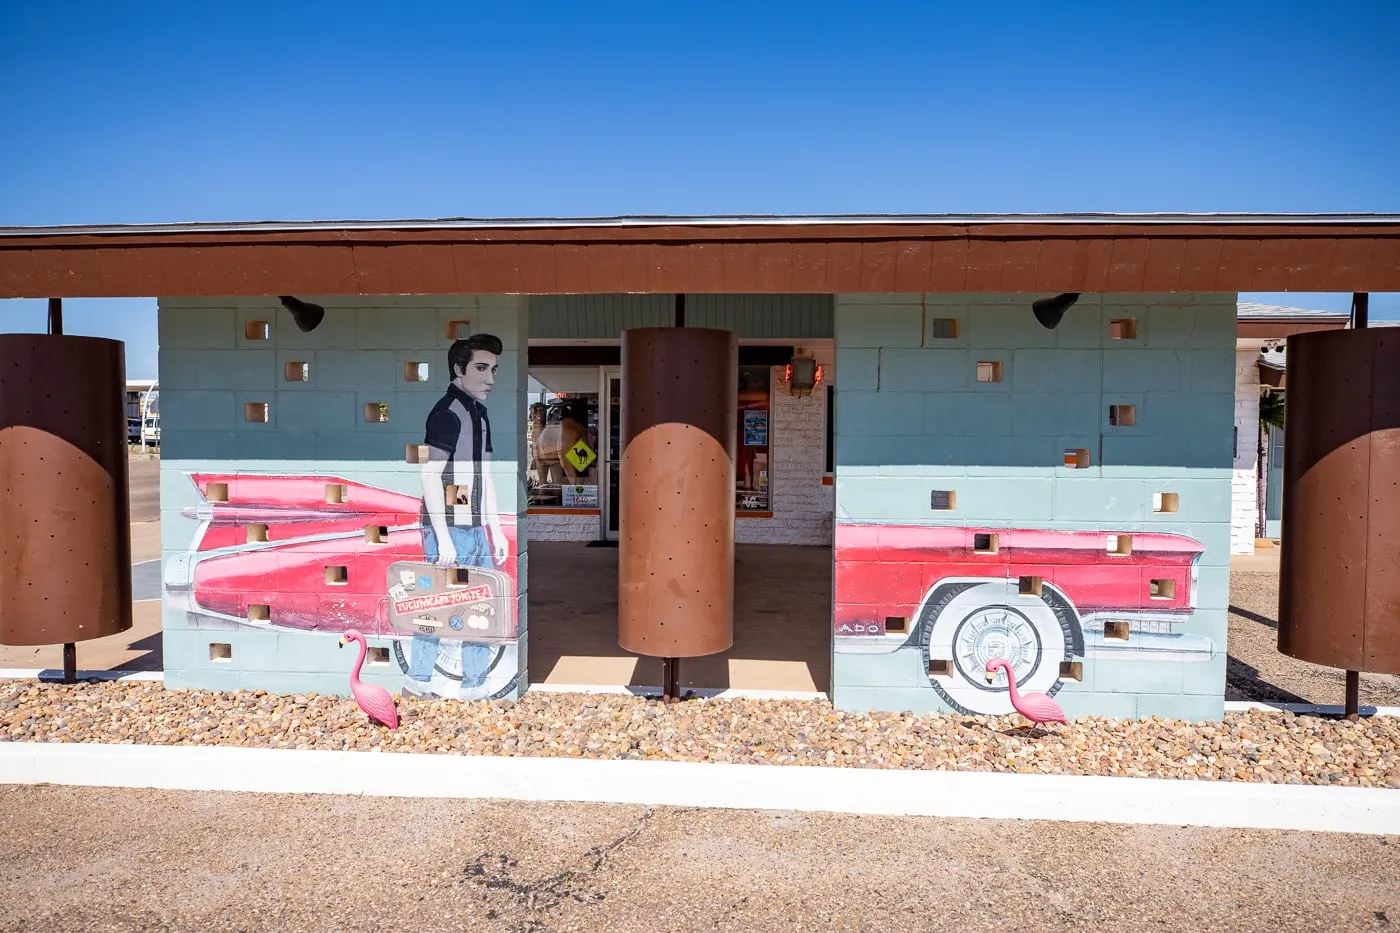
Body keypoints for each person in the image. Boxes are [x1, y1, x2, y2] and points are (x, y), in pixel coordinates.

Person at [403, 333, 510, 699]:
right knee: (435, 605)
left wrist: (495, 529)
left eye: (493, 369)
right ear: (458, 369)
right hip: (448, 528)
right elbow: (430, 473)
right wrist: (443, 537)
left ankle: (474, 685)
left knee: (480, 607)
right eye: (481, 368)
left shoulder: (479, 414)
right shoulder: (448, 412)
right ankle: (419, 681)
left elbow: (483, 474)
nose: (490, 378)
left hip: (474, 526)